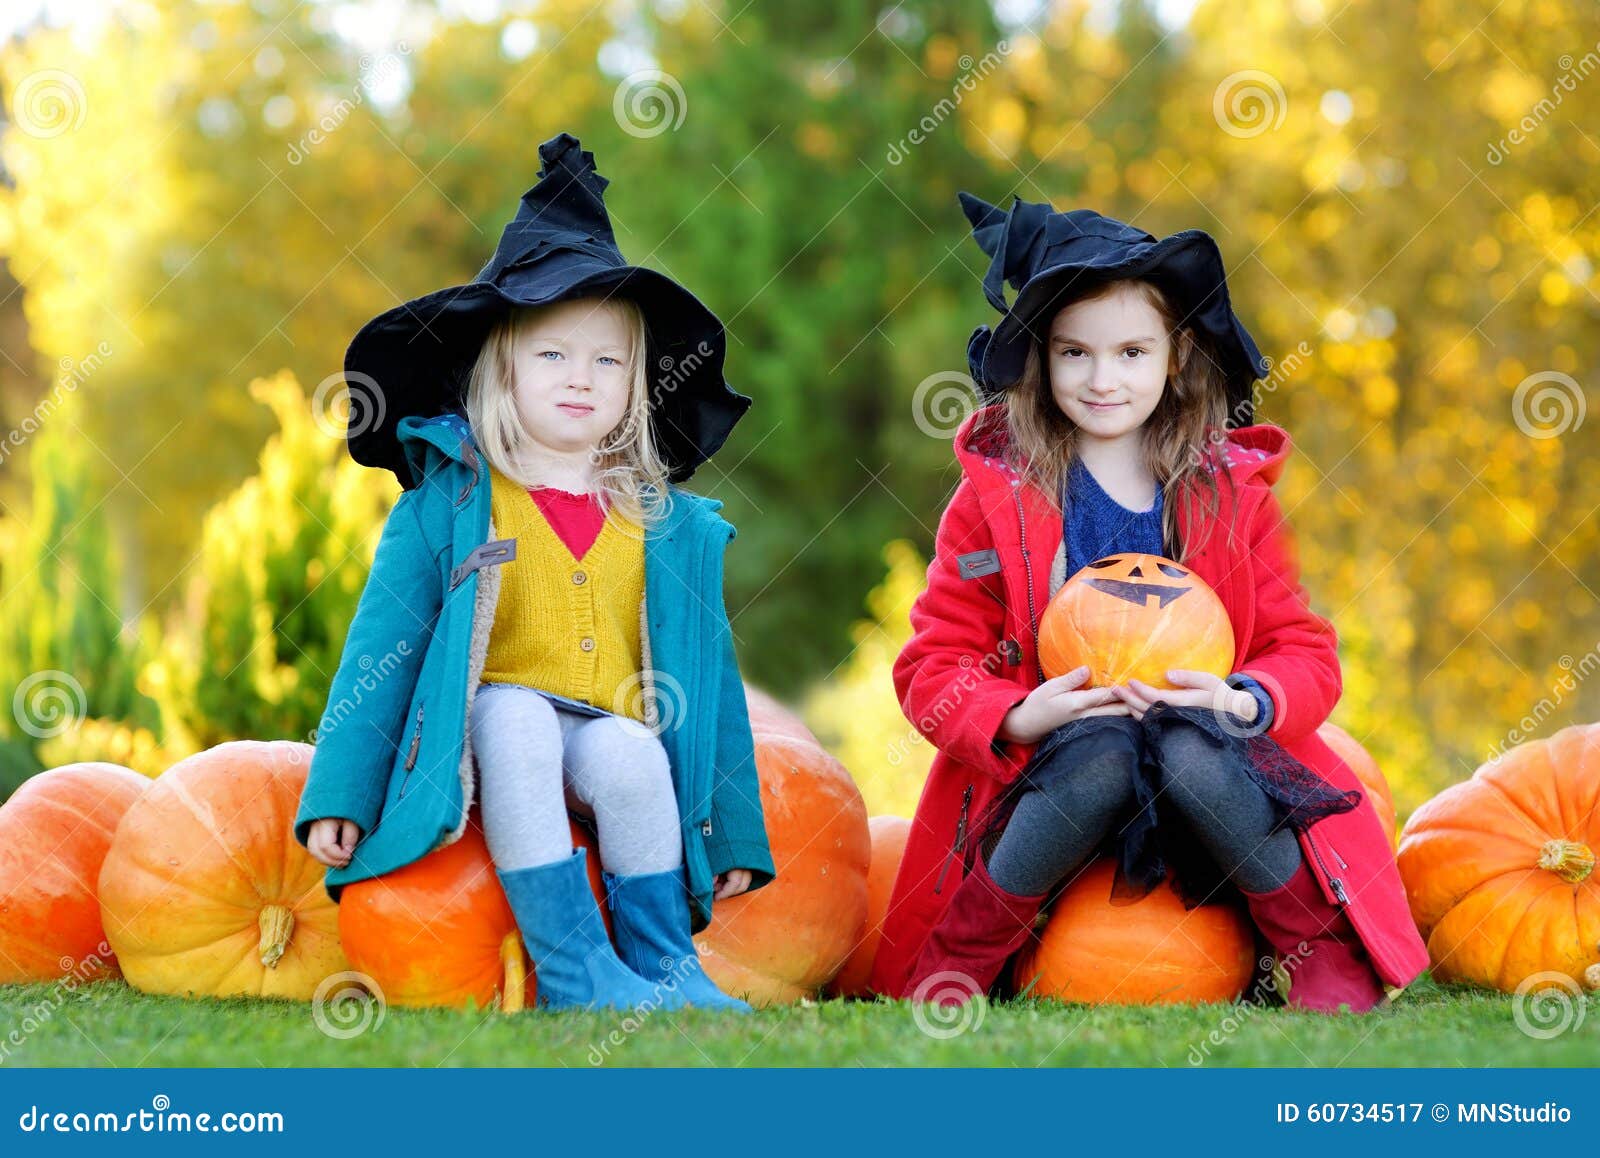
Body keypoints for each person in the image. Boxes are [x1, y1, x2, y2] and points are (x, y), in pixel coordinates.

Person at [871, 194, 1428, 1013]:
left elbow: (1304, 652)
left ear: (1176, 355)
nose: (1104, 380)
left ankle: (1315, 951)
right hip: (1057, 781)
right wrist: (1017, 715)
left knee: (1187, 742)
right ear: (1040, 361)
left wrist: (1243, 700)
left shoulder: (1231, 496)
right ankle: (962, 958)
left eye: (1131, 352)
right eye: (1075, 354)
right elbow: (933, 664)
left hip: (1213, 783)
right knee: (1100, 747)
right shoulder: (995, 498)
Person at [293, 132, 774, 1013]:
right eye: (553, 354)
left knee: (633, 753)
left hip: (605, 721)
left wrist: (736, 827)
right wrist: (341, 793)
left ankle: (664, 965)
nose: (581, 378)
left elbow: (715, 686)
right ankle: (573, 969)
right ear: (501, 367)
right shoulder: (451, 503)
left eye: (608, 360)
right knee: (513, 717)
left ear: (638, 382)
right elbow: (383, 650)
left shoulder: (665, 526)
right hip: (492, 724)